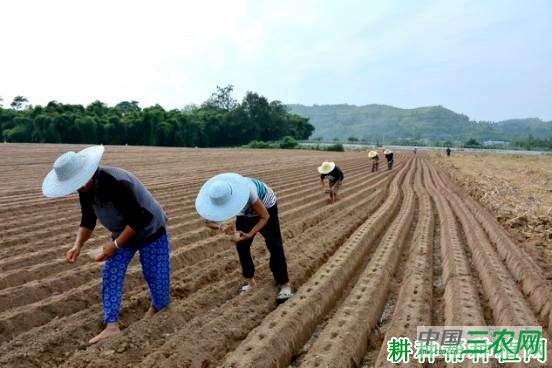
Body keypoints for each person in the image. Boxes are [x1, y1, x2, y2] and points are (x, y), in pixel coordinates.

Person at [42, 146, 170, 344]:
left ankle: (158, 307)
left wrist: (115, 245)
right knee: (111, 271)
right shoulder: (85, 188)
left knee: (154, 275)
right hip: (122, 234)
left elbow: (139, 218)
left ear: (88, 172)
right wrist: (77, 245)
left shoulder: (116, 183)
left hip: (150, 229)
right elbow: (88, 219)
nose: (77, 187)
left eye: (78, 182)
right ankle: (111, 326)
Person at [195, 173, 293, 304]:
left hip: (266, 208)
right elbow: (208, 221)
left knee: (274, 244)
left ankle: (284, 284)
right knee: (242, 246)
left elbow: (265, 217)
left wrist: (251, 233)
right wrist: (221, 226)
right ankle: (251, 282)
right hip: (245, 213)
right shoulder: (213, 198)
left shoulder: (248, 191)